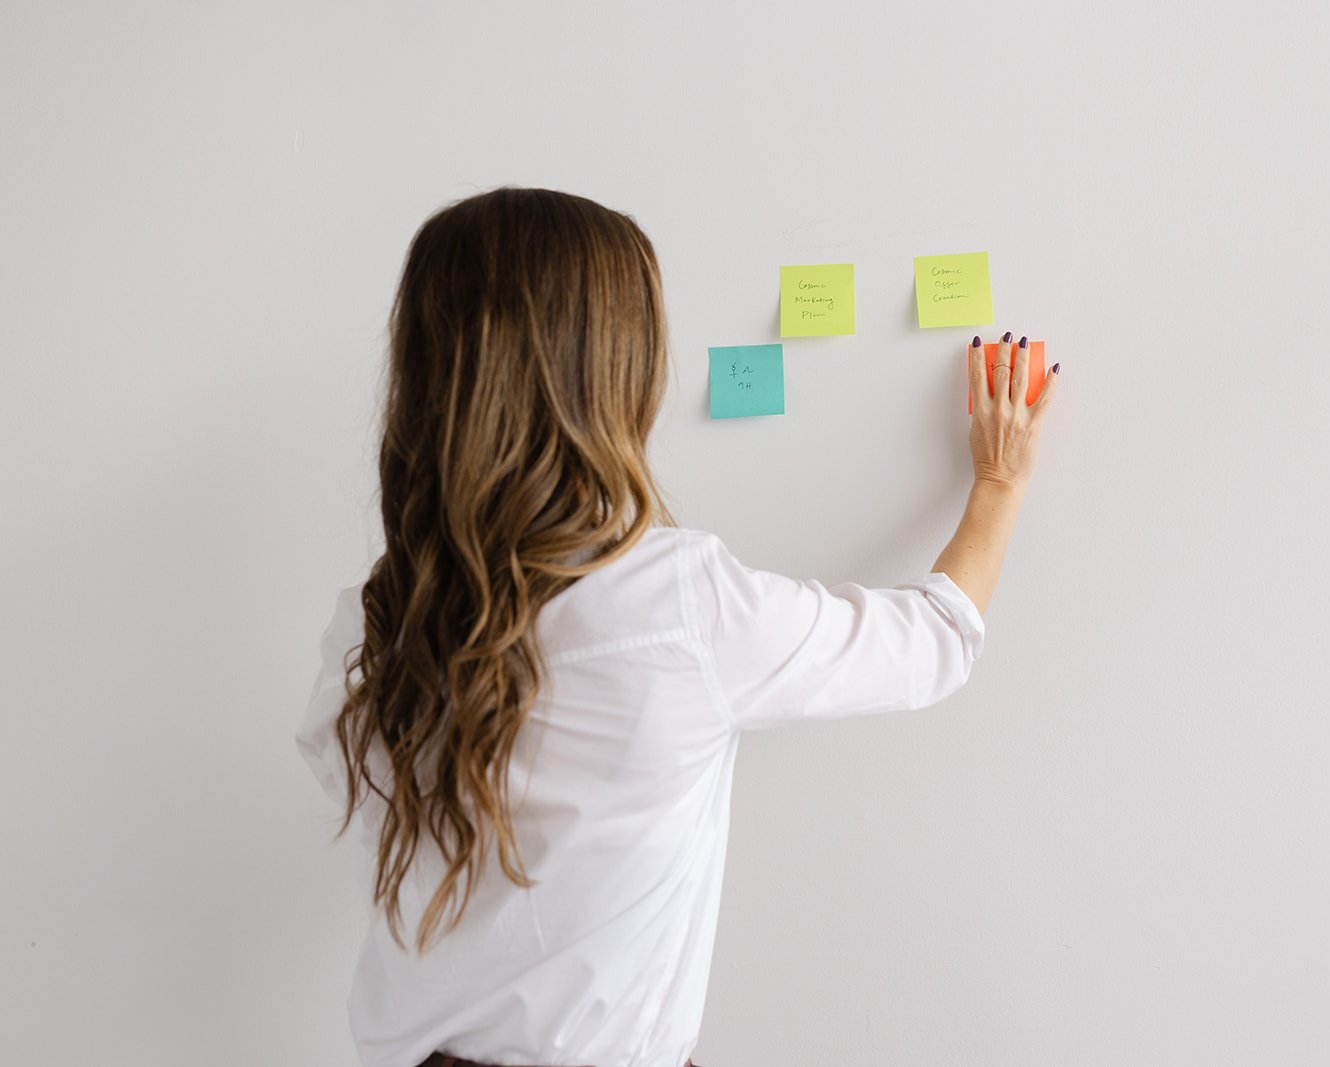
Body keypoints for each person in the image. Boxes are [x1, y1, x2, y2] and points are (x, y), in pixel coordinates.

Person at [294, 186, 1061, 1067]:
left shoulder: (375, 619)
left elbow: (350, 772)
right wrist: (998, 486)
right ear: (612, 373)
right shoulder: (675, 605)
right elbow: (934, 642)